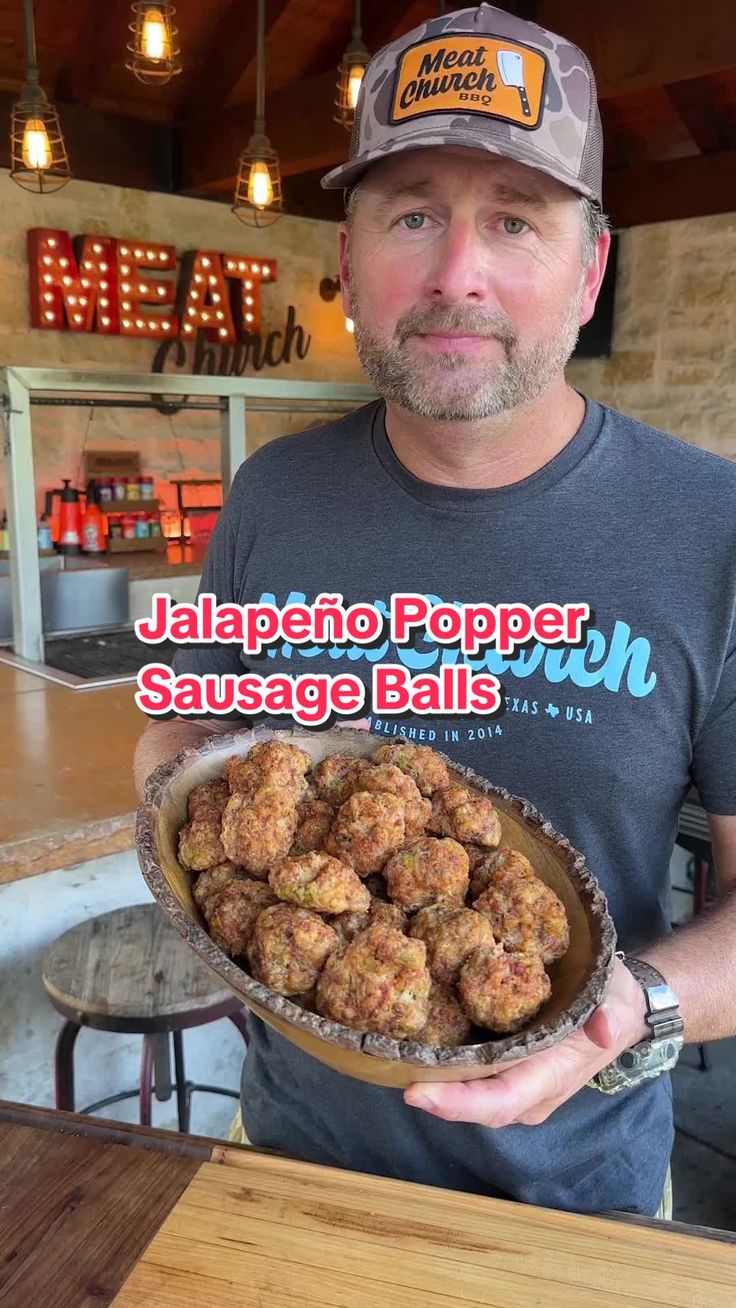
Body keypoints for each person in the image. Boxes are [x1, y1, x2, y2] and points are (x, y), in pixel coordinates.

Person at [134, 3, 736, 1218]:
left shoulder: (713, 526)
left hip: (584, 1202)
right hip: (290, 1164)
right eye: (412, 213)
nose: (457, 273)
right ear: (348, 260)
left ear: (590, 269)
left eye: (514, 221)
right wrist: (176, 787)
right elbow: (182, 738)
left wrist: (628, 1008)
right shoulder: (271, 495)